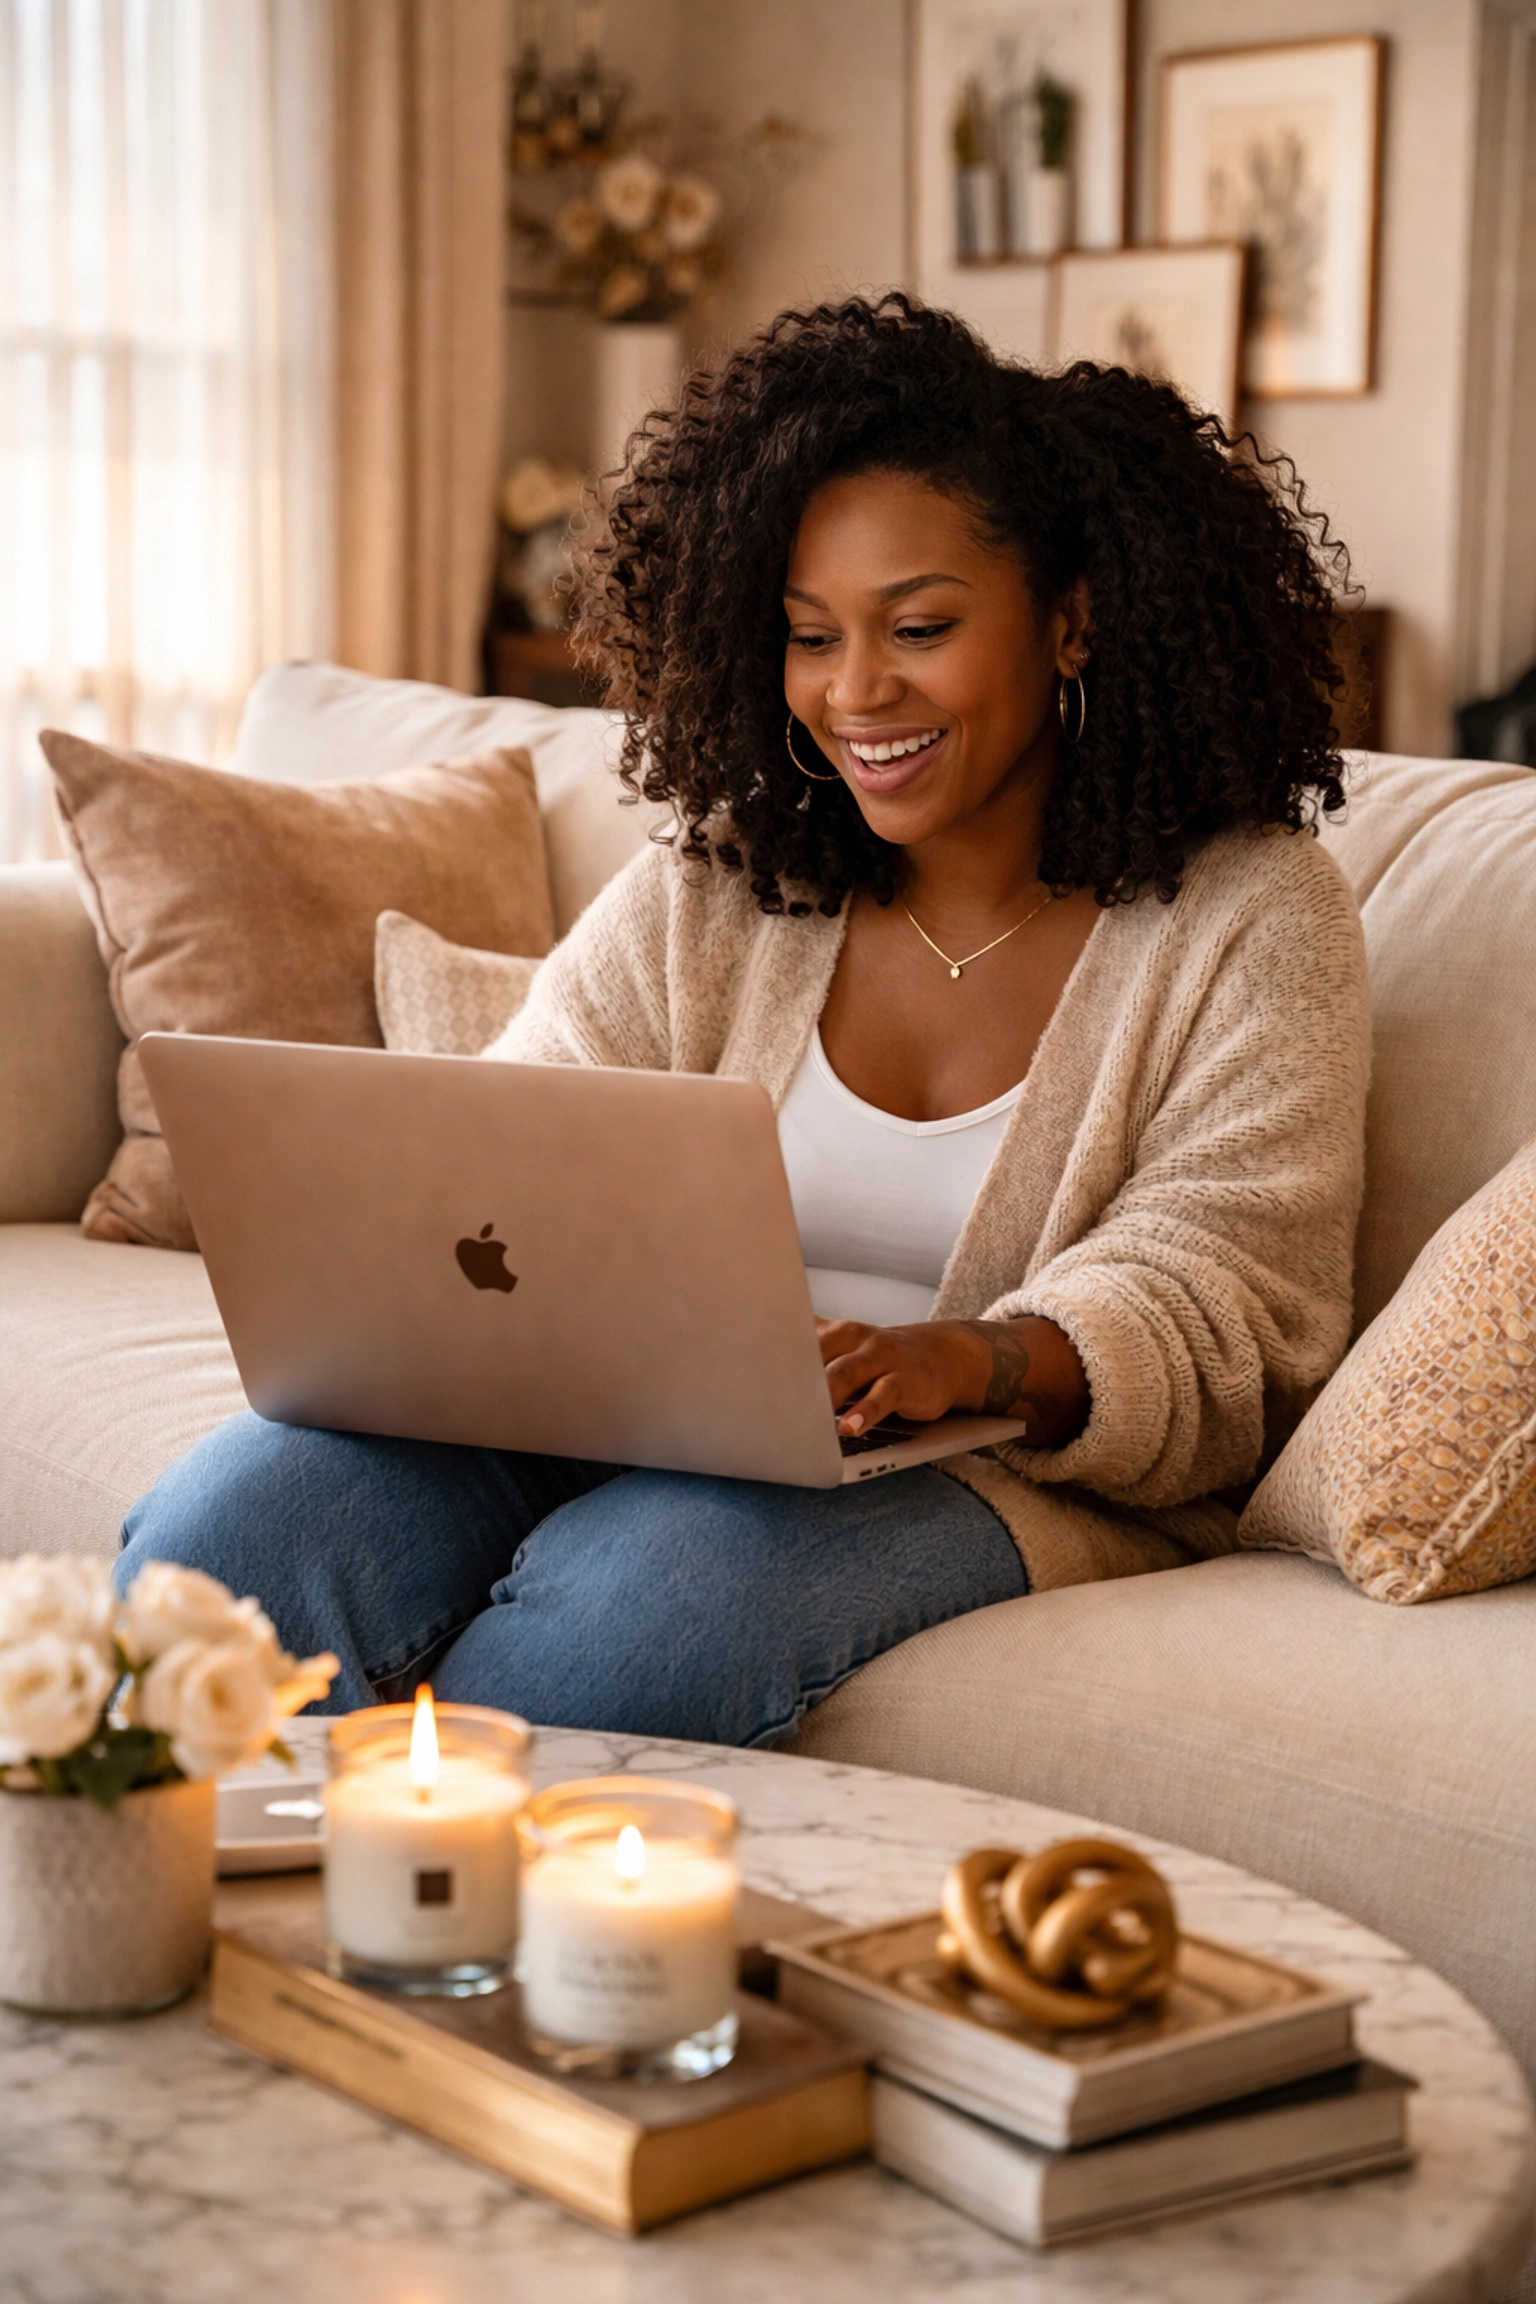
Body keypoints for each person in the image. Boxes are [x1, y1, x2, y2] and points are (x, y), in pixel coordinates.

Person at [119, 295, 1371, 1746]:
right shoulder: (730, 876)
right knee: (226, 1549)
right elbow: (522, 1135)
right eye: (809, 637)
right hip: (629, 1407)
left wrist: (974, 1356)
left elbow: (1238, 1298)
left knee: (628, 1622)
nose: (857, 694)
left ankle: (425, 1941)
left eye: (921, 627)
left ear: (1071, 623)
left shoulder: (1255, 915)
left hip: (991, 1466)